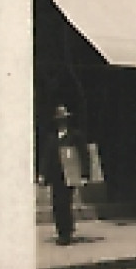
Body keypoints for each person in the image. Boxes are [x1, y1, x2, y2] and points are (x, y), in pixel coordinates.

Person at [40, 105, 87, 245]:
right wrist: (42, 174)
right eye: (60, 119)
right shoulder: (51, 138)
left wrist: (84, 175)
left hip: (69, 174)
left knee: (65, 203)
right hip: (56, 175)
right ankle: (61, 231)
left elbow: (83, 156)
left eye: (64, 119)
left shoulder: (75, 135)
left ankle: (67, 232)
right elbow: (46, 157)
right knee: (56, 203)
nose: (62, 122)